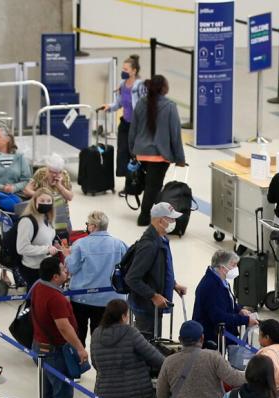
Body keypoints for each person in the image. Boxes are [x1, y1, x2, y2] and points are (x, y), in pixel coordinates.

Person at [30, 257, 88, 398]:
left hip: (41, 346)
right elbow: (63, 327)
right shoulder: (55, 298)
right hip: (55, 350)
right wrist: (80, 348)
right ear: (55, 277)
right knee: (63, 392)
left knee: (48, 391)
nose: (66, 272)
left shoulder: (38, 286)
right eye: (63, 270)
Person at [123, 201, 187, 338]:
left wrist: (173, 284)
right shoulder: (149, 245)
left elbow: (158, 268)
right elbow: (132, 278)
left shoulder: (161, 239)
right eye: (171, 219)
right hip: (146, 308)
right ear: (160, 220)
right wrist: (154, 296)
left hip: (154, 306)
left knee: (154, 343)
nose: (174, 221)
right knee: (147, 347)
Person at [130, 74, 186, 226]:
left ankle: (155, 214)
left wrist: (132, 151)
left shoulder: (141, 103)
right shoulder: (169, 106)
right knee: (153, 186)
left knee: (152, 185)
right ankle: (144, 216)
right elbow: (175, 135)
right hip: (159, 156)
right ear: (164, 89)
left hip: (141, 153)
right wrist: (180, 159)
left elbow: (133, 130)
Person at [65, 210, 127, 346]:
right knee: (103, 340)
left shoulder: (80, 244)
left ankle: (79, 363)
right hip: (109, 300)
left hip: (81, 298)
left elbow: (71, 268)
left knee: (78, 335)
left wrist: (67, 256)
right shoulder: (120, 244)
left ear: (93, 226)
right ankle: (100, 365)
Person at [99, 54, 147, 195]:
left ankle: (138, 184)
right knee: (123, 154)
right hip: (125, 124)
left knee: (135, 155)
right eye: (123, 68)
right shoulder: (122, 84)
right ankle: (129, 186)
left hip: (137, 127)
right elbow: (119, 103)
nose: (123, 71)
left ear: (134, 71)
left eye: (126, 69)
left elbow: (145, 104)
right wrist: (109, 106)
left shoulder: (140, 86)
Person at [193, 248, 255, 349]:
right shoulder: (211, 286)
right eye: (233, 265)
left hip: (221, 336)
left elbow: (229, 302)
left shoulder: (221, 281)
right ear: (222, 267)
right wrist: (245, 320)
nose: (236, 268)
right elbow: (219, 317)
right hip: (212, 339)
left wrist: (239, 310)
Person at [16, 187, 68, 288]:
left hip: (45, 266)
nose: (46, 203)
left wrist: (55, 245)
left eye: (49, 201)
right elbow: (22, 248)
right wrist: (47, 249)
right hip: (32, 268)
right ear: (35, 202)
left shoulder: (47, 218)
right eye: (42, 200)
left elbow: (45, 239)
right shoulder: (27, 221)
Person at [24, 154, 74, 239]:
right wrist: (41, 195)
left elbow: (70, 197)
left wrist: (60, 186)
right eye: (51, 172)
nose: (54, 175)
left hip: (61, 214)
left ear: (61, 171)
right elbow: (26, 190)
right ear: (47, 168)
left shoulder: (64, 175)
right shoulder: (40, 173)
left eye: (57, 172)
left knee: (66, 238)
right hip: (43, 214)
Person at [0, 127, 32, 194]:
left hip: (18, 195)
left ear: (7, 139)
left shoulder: (20, 157)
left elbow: (26, 180)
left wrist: (14, 188)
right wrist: (3, 188)